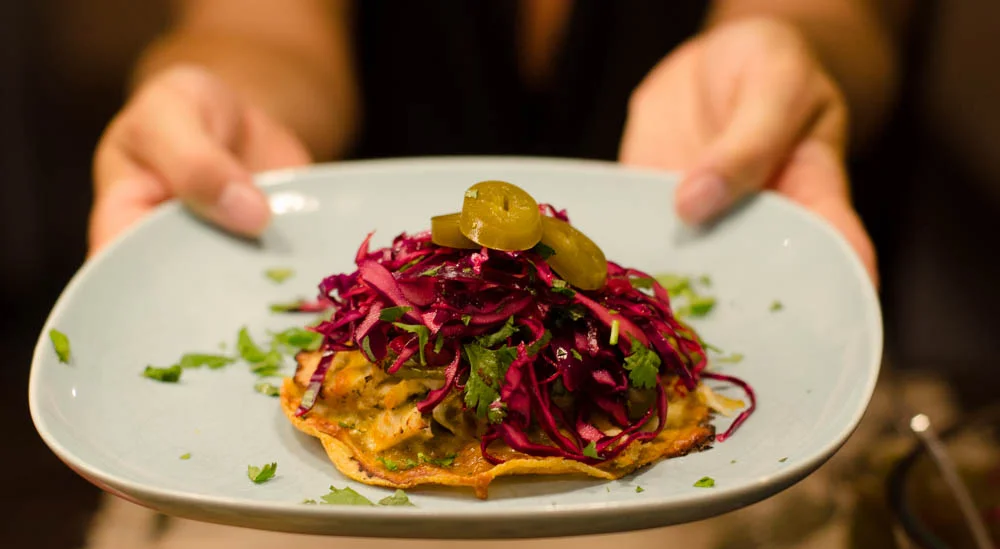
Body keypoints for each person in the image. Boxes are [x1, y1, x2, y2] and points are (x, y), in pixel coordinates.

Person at [89, 0, 909, 283]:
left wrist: (785, 64)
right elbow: (257, 30)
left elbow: (839, 21)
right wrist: (218, 103)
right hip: (339, 537)